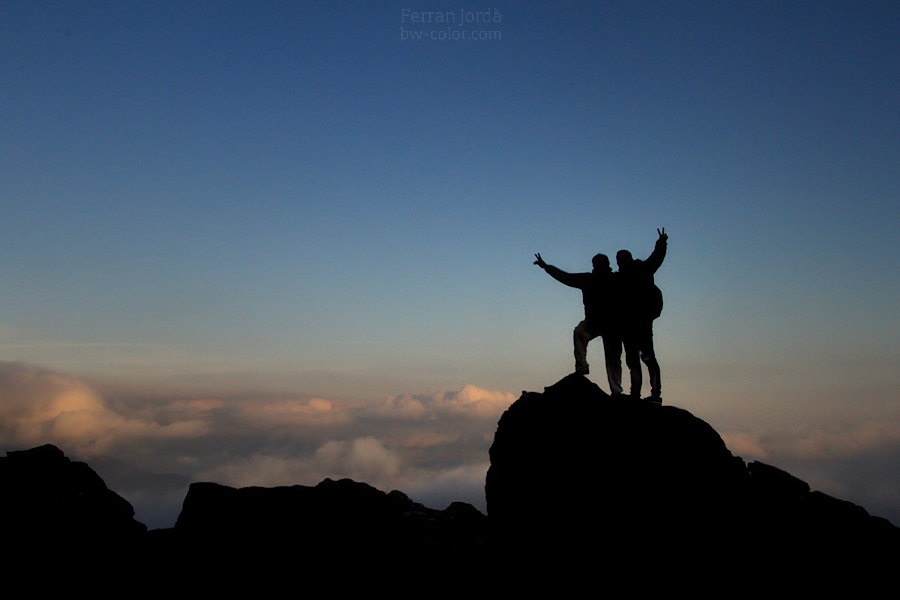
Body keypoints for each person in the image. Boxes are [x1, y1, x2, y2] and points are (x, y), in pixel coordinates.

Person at [534, 252, 623, 395]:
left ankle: (616, 390)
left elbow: (567, 278)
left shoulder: (609, 279)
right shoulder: (600, 279)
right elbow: (566, 278)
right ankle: (584, 368)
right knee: (582, 335)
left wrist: (546, 267)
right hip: (598, 322)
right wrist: (547, 267)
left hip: (610, 324)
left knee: (612, 356)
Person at [616, 228, 667, 403]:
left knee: (635, 360)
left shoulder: (620, 278)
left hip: (630, 325)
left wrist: (661, 243)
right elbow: (657, 258)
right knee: (647, 358)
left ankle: (637, 394)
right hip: (642, 323)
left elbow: (656, 258)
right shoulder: (643, 269)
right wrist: (661, 242)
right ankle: (654, 394)